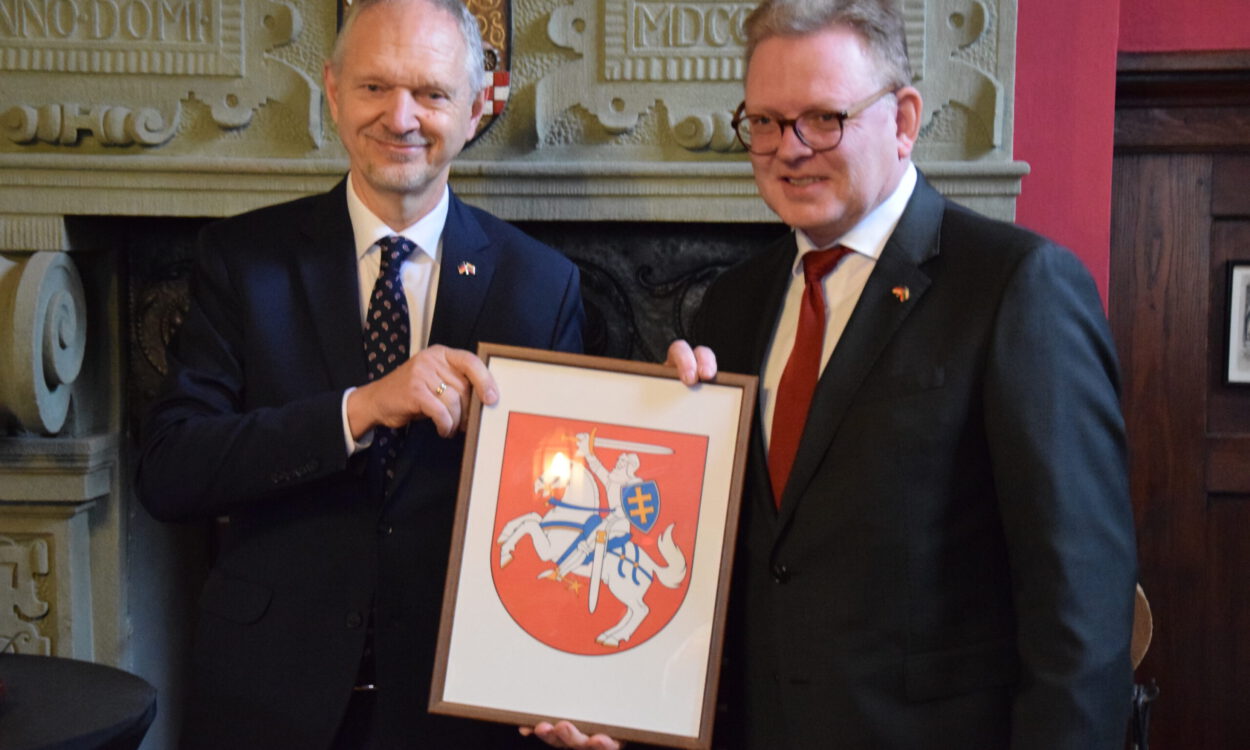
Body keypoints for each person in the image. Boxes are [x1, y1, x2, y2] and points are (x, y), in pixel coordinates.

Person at [530, 0, 1137, 748]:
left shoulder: (1016, 287)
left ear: (905, 119)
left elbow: (1081, 608)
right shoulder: (732, 306)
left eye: (823, 118)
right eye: (763, 123)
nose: (790, 149)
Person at [136, 0, 583, 746]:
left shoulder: (541, 285)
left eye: (432, 93)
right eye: (375, 87)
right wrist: (358, 409)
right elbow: (171, 471)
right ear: (332, 91)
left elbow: (564, 503)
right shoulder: (244, 261)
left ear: (477, 108)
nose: (400, 117)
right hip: (269, 698)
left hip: (458, 709)